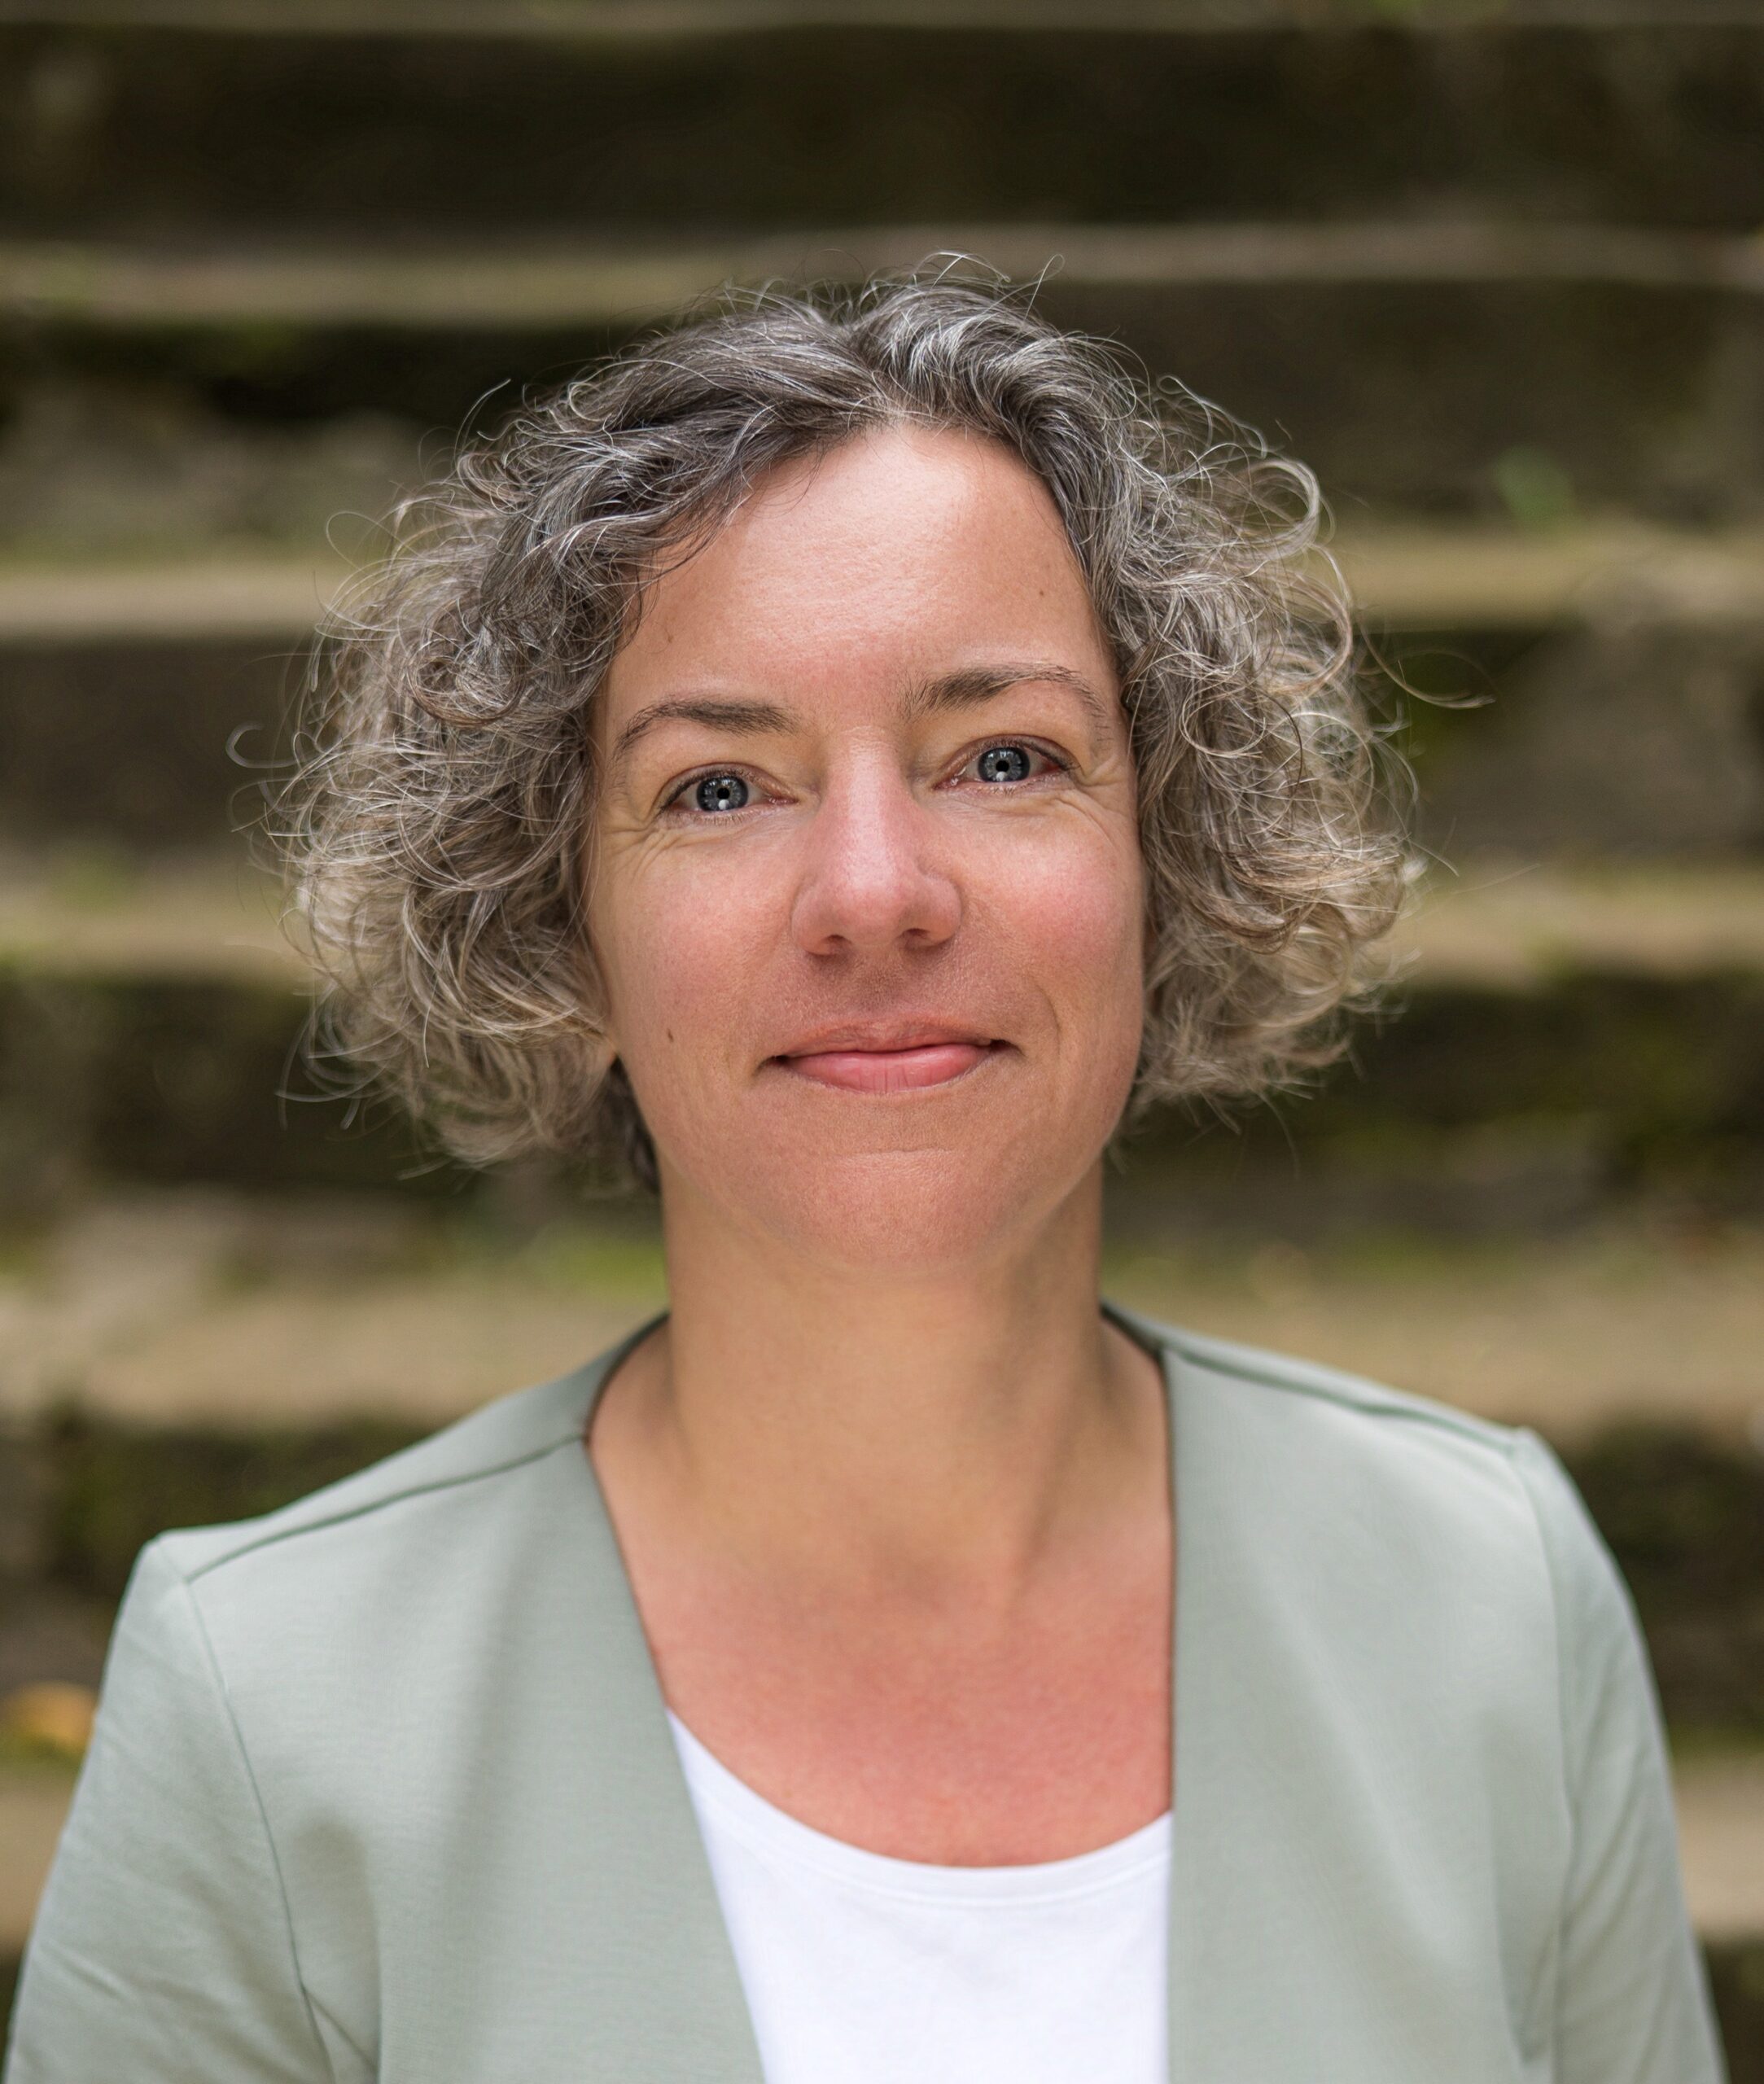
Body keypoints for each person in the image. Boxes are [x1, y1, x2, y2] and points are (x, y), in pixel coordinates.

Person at [4, 275, 1725, 2084]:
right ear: (558, 930)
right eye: (719, 787)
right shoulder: (266, 1702)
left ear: (1172, 861)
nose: (876, 891)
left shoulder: (1489, 1593)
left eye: (1004, 758)